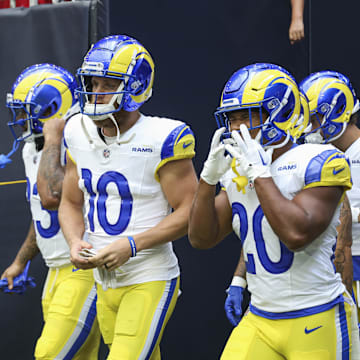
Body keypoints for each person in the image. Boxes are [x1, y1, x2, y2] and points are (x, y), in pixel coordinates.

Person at [189, 62, 360, 358]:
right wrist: (208, 179)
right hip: (260, 316)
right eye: (231, 119)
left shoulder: (319, 159)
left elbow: (295, 234)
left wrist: (260, 172)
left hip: (317, 314)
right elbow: (201, 238)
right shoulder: (238, 170)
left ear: (280, 114)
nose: (237, 127)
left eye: (247, 116)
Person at [58, 34, 198, 359]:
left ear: (135, 86)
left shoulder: (161, 137)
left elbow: (190, 210)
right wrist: (73, 240)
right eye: (92, 83)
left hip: (148, 275)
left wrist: (133, 244)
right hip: (102, 279)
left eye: (107, 84)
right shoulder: (76, 129)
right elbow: (69, 201)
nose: (95, 93)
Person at [1, 63, 100, 359]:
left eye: (28, 111)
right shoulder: (32, 149)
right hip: (55, 272)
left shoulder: (80, 139)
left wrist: (55, 137)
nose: (21, 120)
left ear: (55, 108)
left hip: (82, 270)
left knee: (49, 355)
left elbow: (52, 196)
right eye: (19, 111)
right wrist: (20, 262)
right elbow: (41, 216)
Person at [300, 70, 360, 320]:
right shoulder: (319, 156)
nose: (308, 128)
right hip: (332, 263)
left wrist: (347, 215)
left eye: (314, 119)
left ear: (337, 111)